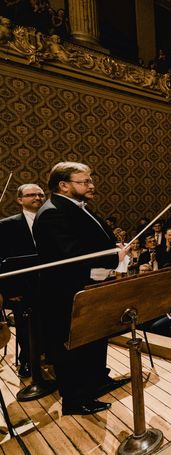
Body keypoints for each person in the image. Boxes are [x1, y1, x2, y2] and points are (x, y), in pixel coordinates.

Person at [33, 162, 129, 416]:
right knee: (74, 348)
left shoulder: (75, 208)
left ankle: (98, 380)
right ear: (64, 185)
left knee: (96, 338)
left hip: (89, 287)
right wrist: (113, 258)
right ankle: (75, 401)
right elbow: (72, 255)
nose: (91, 185)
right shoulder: (53, 212)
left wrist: (115, 248)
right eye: (84, 181)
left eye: (90, 180)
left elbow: (94, 241)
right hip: (67, 294)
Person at [0, 183, 46, 378]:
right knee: (24, 324)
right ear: (20, 200)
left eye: (41, 194)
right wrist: (10, 289)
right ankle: (27, 360)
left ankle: (50, 356)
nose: (37, 198)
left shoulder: (52, 220)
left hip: (50, 283)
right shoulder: (6, 225)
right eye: (31, 195)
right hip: (23, 286)